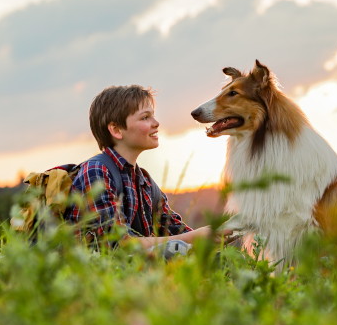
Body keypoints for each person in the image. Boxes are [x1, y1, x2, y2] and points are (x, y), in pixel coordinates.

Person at [64, 85, 222, 250]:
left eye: (153, 116)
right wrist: (191, 238)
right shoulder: (96, 171)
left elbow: (174, 229)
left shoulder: (144, 181)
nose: (156, 123)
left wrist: (217, 233)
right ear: (116, 130)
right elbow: (117, 244)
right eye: (145, 117)